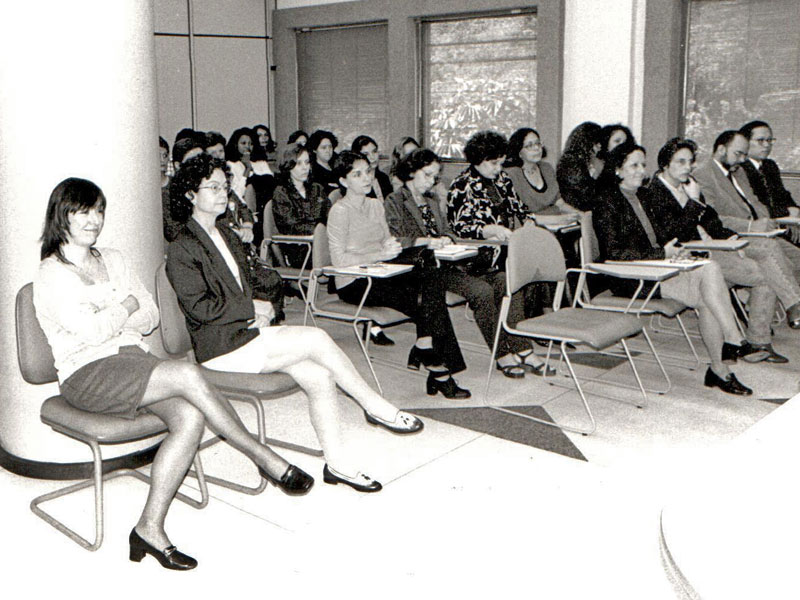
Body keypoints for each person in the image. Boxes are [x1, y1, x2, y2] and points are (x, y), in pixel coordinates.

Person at [33, 177, 316, 571]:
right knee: (186, 375)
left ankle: (149, 528)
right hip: (87, 372)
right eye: (83, 211)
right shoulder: (51, 275)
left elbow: (150, 316)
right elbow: (94, 333)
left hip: (135, 360)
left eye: (98, 210)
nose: (94, 219)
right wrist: (125, 304)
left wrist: (118, 310)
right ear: (61, 216)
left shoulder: (113, 258)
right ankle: (261, 454)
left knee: (190, 415)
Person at [167, 154, 423, 495]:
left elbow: (266, 279)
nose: (221, 193)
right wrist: (248, 308)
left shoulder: (226, 234)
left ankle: (338, 465)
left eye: (224, 186)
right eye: (211, 187)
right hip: (221, 347)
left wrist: (268, 306)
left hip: (247, 333)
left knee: (318, 376)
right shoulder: (183, 246)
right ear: (189, 195)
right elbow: (199, 308)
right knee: (316, 338)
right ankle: (375, 406)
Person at [592, 143, 757, 395]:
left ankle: (726, 354)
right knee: (708, 290)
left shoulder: (645, 196)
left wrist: (674, 249)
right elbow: (614, 254)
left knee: (709, 273)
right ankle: (728, 352)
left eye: (643, 165)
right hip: (630, 278)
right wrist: (662, 253)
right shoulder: (607, 201)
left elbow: (671, 234)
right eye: (634, 165)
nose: (641, 171)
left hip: (659, 268)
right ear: (618, 170)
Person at [386, 148, 550, 378]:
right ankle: (501, 353)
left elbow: (449, 231)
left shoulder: (432, 200)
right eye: (427, 175)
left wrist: (446, 239)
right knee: (481, 291)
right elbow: (396, 239)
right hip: (425, 270)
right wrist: (429, 242)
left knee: (507, 281)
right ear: (412, 172)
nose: (432, 182)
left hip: (450, 262)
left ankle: (522, 347)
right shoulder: (395, 200)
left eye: (435, 176)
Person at [327, 150, 470, 398]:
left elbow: (387, 240)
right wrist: (379, 255)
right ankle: (440, 371)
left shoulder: (374, 205)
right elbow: (339, 261)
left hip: (383, 271)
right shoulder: (340, 211)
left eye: (368, 172)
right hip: (355, 281)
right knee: (429, 303)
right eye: (357, 174)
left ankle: (425, 345)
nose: (366, 178)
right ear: (343, 181)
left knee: (428, 270)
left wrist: (391, 248)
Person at [643, 137, 786, 363]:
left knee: (765, 273)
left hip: (709, 251)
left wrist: (730, 238)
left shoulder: (688, 185)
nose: (687, 167)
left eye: (690, 162)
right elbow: (671, 235)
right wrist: (693, 203)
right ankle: (744, 343)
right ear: (665, 165)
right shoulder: (653, 193)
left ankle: (757, 339)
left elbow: (712, 221)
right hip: (686, 259)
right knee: (761, 275)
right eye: (680, 162)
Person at [693, 129, 800, 328]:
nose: (742, 160)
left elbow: (754, 202)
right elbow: (713, 217)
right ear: (721, 149)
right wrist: (751, 225)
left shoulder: (738, 172)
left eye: (744, 154)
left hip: (759, 233)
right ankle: (794, 305)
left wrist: (768, 221)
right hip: (735, 236)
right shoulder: (703, 174)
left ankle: (758, 307)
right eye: (738, 154)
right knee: (771, 258)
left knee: (795, 258)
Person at [738, 120, 800, 246]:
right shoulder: (739, 169)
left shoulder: (770, 166)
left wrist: (794, 210)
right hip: (763, 226)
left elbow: (783, 195)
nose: (767, 145)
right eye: (760, 140)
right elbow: (757, 205)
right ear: (745, 143)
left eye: (770, 140)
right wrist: (787, 216)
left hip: (783, 221)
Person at [271, 144, 330, 267]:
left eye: (307, 162)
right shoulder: (281, 192)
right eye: (298, 164)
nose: (305, 168)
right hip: (300, 248)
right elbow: (293, 227)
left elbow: (330, 215)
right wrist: (323, 232)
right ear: (288, 166)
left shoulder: (317, 188)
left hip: (323, 241)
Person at [556, 121, 602, 211]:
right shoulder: (570, 163)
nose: (600, 146)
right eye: (597, 142)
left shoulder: (588, 161)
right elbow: (585, 195)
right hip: (575, 213)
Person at [351, 135, 392, 199]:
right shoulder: (358, 181)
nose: (372, 157)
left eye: (374, 151)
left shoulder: (384, 178)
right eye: (366, 154)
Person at [308, 129, 339, 194]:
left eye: (330, 147)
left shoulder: (338, 166)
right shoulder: (313, 171)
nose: (328, 150)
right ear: (315, 150)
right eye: (323, 147)